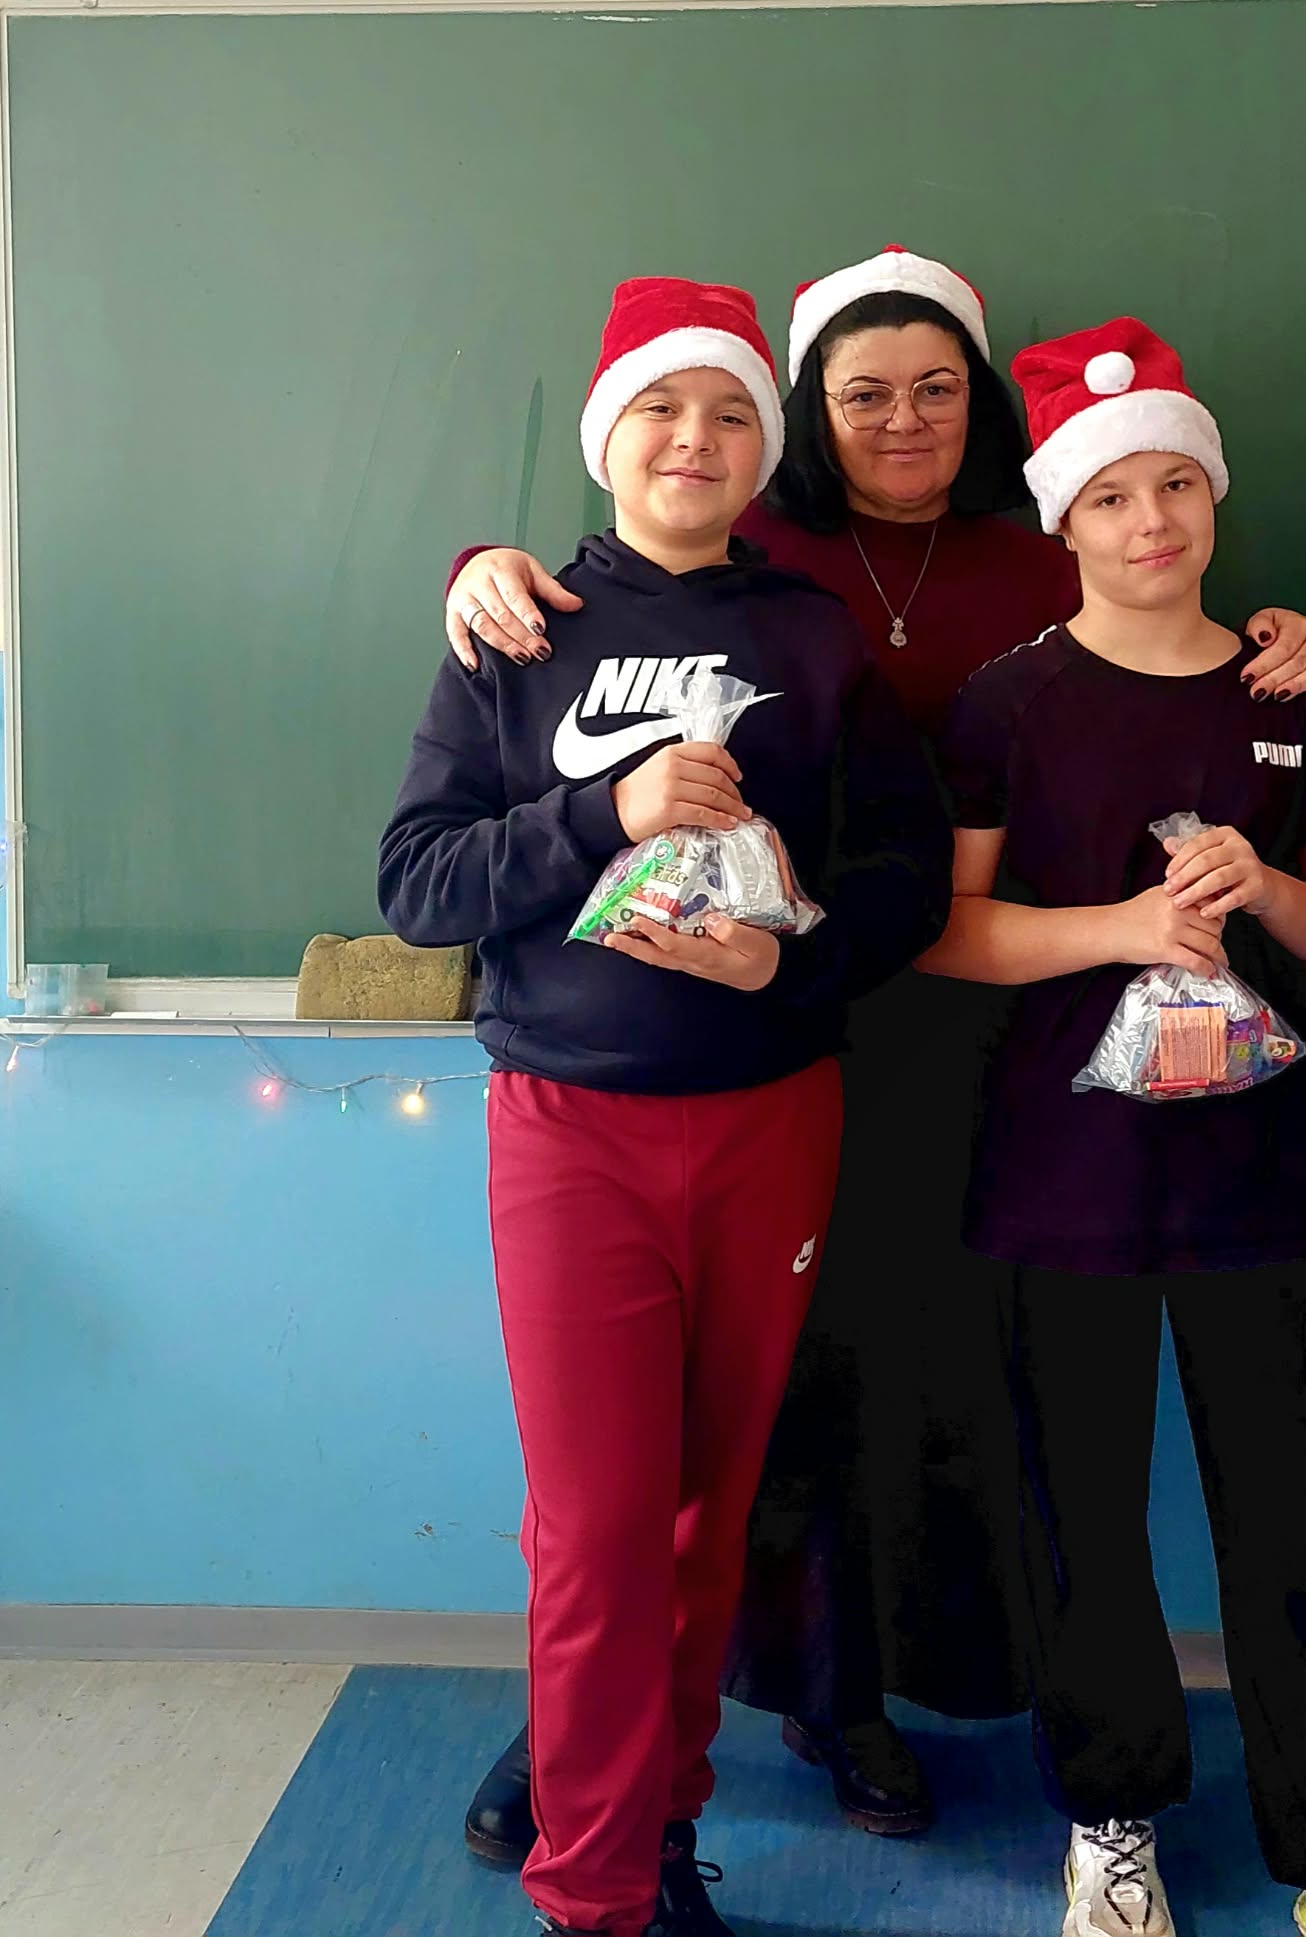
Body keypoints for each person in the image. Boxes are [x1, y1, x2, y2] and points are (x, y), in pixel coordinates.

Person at [444, 248, 1306, 1861]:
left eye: (938, 388)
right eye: (862, 393)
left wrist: (1299, 635)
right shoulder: (752, 541)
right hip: (744, 1029)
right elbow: (603, 596)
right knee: (709, 1425)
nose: (903, 419)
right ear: (804, 415)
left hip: (998, 1037)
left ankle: (863, 1695)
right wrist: (480, 569)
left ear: (987, 410)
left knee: (905, 1383)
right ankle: (598, 1729)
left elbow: (1178, 630)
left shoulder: (1042, 544)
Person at [379, 274, 952, 1937]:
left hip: (773, 1120)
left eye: (727, 413)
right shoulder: (517, 627)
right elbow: (417, 881)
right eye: (659, 407)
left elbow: (906, 875)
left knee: (711, 1519)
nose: (692, 438)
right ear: (606, 435)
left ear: (763, 450)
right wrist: (604, 814)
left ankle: (662, 1831)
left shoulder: (814, 636)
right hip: (571, 1130)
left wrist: (793, 960)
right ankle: (592, 1889)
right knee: (596, 1530)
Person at [923, 316, 1306, 1937]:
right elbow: (948, 931)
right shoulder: (1007, 703)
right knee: (1080, 1516)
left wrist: (1261, 884)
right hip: (1058, 1180)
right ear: (1064, 520)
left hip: (1257, 1182)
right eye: (1112, 496)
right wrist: (1124, 929)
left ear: (1215, 497)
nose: (1152, 521)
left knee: (1295, 1516)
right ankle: (1110, 1814)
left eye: (1177, 486)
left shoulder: (1292, 693)